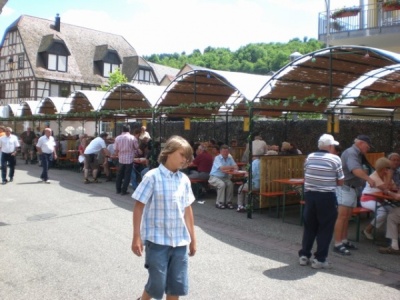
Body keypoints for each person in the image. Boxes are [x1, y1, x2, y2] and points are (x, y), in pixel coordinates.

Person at [131, 135, 196, 300]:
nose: (185, 160)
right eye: (182, 155)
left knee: (176, 285)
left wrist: (193, 239)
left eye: (187, 157)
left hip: (180, 241)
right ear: (168, 152)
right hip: (157, 241)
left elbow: (187, 210)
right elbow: (139, 207)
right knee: (157, 283)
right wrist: (136, 237)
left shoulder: (184, 180)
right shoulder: (152, 177)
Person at [298, 134, 344, 269]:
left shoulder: (310, 157)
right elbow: (340, 181)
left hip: (310, 195)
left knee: (309, 226)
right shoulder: (335, 159)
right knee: (325, 228)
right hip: (326, 196)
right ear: (330, 146)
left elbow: (307, 175)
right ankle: (320, 259)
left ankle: (304, 255)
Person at [333, 135, 376, 255]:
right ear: (361, 143)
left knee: (347, 217)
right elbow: (355, 169)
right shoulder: (352, 152)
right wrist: (369, 179)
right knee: (342, 217)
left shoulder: (355, 153)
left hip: (351, 188)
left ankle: (344, 240)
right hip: (345, 187)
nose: (368, 149)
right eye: (367, 146)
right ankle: (337, 243)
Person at [360, 157, 396, 240]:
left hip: (380, 199)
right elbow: (385, 189)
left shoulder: (385, 175)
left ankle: (393, 235)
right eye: (388, 168)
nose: (390, 170)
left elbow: (394, 187)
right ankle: (367, 230)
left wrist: (389, 180)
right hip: (367, 199)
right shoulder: (374, 176)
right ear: (383, 168)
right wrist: (389, 178)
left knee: (394, 211)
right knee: (382, 212)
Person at [208, 144, 238, 209]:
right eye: (224, 152)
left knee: (230, 184)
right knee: (222, 184)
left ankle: (228, 202)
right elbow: (222, 168)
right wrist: (232, 167)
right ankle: (219, 202)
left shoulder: (230, 158)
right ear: (221, 152)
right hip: (214, 177)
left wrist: (233, 168)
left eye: (227, 152)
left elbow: (236, 167)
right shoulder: (217, 158)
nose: (225, 153)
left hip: (224, 177)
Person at [236, 148, 263, 212]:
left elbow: (251, 175)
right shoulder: (263, 162)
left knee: (240, 188)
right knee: (245, 187)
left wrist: (245, 174)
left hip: (254, 184)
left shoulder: (255, 162)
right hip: (262, 184)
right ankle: (246, 204)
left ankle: (240, 206)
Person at [114, 125, 136, 195]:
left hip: (121, 158)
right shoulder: (132, 138)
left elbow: (115, 149)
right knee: (127, 175)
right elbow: (136, 147)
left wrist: (116, 155)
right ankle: (124, 191)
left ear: (122, 130)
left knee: (119, 174)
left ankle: (118, 189)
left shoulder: (117, 138)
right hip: (129, 158)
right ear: (129, 130)